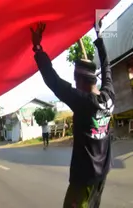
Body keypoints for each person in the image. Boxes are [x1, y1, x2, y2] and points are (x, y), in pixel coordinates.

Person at [30, 21, 114, 208]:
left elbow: (53, 80)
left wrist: (37, 48)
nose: (74, 83)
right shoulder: (109, 95)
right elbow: (107, 67)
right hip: (102, 174)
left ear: (81, 80)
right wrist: (98, 37)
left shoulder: (83, 102)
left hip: (83, 179)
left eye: (75, 79)